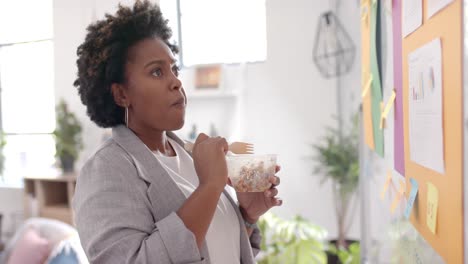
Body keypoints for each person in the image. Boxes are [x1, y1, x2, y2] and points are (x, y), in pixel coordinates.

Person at [72, 1, 282, 263]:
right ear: (121, 94)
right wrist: (210, 186)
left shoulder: (192, 155)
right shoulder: (106, 170)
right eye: (157, 72)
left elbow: (215, 251)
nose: (176, 81)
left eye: (174, 69)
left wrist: (247, 216)